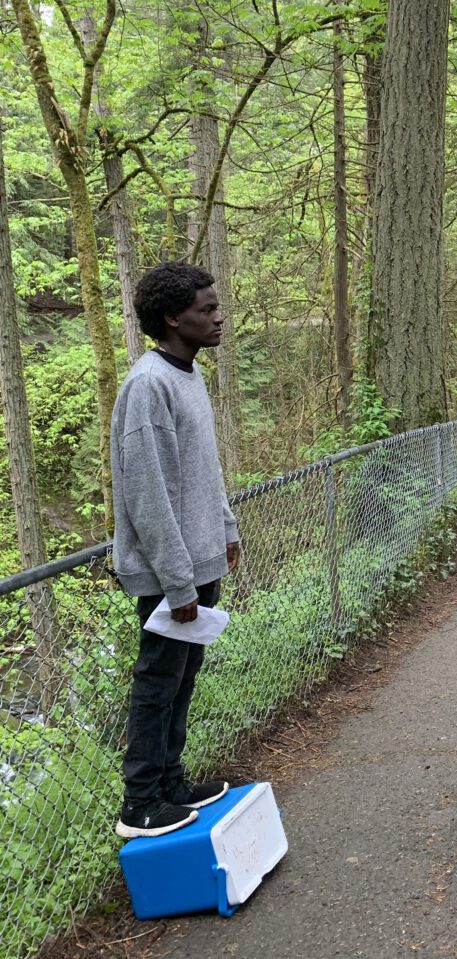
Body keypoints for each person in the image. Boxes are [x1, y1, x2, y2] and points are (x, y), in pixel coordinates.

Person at [111, 262, 240, 838]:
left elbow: (200, 470)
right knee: (158, 681)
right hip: (171, 574)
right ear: (172, 317)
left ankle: (170, 782)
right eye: (206, 309)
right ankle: (139, 803)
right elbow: (148, 493)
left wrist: (226, 527)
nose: (218, 317)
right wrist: (178, 582)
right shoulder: (148, 384)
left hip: (200, 556)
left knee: (184, 677)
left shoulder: (189, 374)